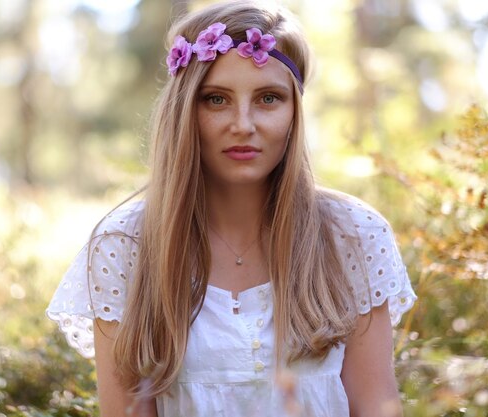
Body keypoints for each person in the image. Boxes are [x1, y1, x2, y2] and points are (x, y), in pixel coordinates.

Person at [47, 1, 417, 416]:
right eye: (217, 99)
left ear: (295, 111)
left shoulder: (353, 235)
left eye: (268, 98)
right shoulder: (125, 245)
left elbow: (375, 406)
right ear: (184, 111)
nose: (243, 124)